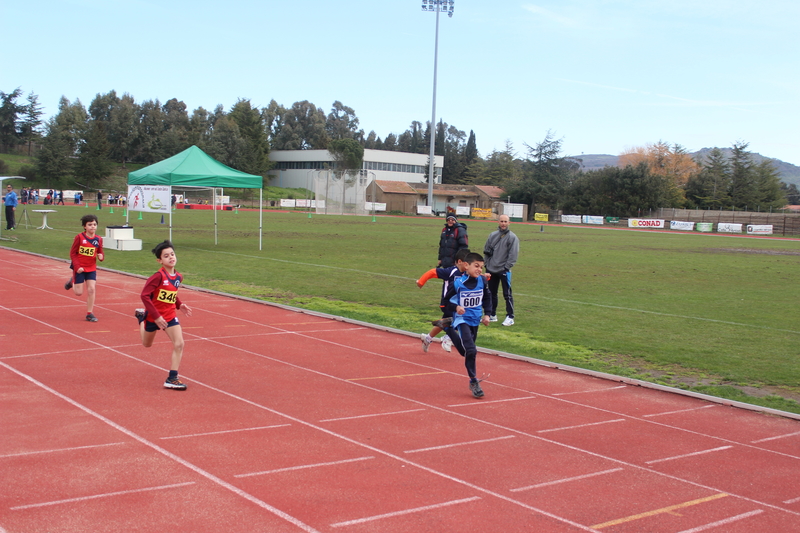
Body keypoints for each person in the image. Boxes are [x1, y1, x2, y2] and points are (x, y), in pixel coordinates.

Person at [134, 240, 193, 391]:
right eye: (166, 256)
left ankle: (172, 378)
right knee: (146, 344)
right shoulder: (157, 277)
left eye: (172, 254)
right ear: (160, 260)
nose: (171, 258)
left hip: (170, 315)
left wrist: (180, 305)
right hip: (153, 316)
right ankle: (141, 319)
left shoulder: (179, 277)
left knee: (179, 344)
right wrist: (156, 316)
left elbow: (172, 293)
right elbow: (145, 296)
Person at [441, 252, 492, 398]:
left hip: (475, 320)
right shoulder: (458, 283)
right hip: (461, 320)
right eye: (476, 266)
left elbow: (488, 298)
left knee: (466, 352)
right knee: (471, 350)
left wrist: (487, 314)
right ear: (466, 265)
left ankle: (447, 328)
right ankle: (474, 381)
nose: (479, 270)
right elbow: (445, 303)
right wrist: (456, 308)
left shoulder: (482, 281)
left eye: (481, 267)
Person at [416, 248, 471, 353]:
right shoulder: (451, 271)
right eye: (467, 263)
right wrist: (421, 282)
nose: (468, 266)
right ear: (459, 262)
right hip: (447, 303)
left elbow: (478, 277)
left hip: (458, 304)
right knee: (458, 318)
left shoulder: (467, 274)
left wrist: (486, 278)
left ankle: (427, 339)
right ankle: (447, 338)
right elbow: (432, 272)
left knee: (445, 322)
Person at [64, 214, 104, 321]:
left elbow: (100, 251)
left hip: (91, 267)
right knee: (79, 293)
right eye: (90, 224)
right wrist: (77, 267)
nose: (92, 227)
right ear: (84, 226)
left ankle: (89, 313)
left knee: (91, 289)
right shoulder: (79, 238)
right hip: (80, 268)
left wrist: (101, 257)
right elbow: (73, 254)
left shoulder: (98, 239)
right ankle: (72, 282)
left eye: (94, 224)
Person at [483, 214, 519, 326]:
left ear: (509, 223)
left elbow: (513, 255)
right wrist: (487, 265)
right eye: (501, 221)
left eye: (505, 221)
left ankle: (510, 316)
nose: (503, 223)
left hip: (504, 270)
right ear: (498, 222)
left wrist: (506, 268)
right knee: (491, 293)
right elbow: (486, 251)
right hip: (491, 269)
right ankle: (492, 314)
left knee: (507, 294)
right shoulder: (492, 235)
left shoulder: (512, 237)